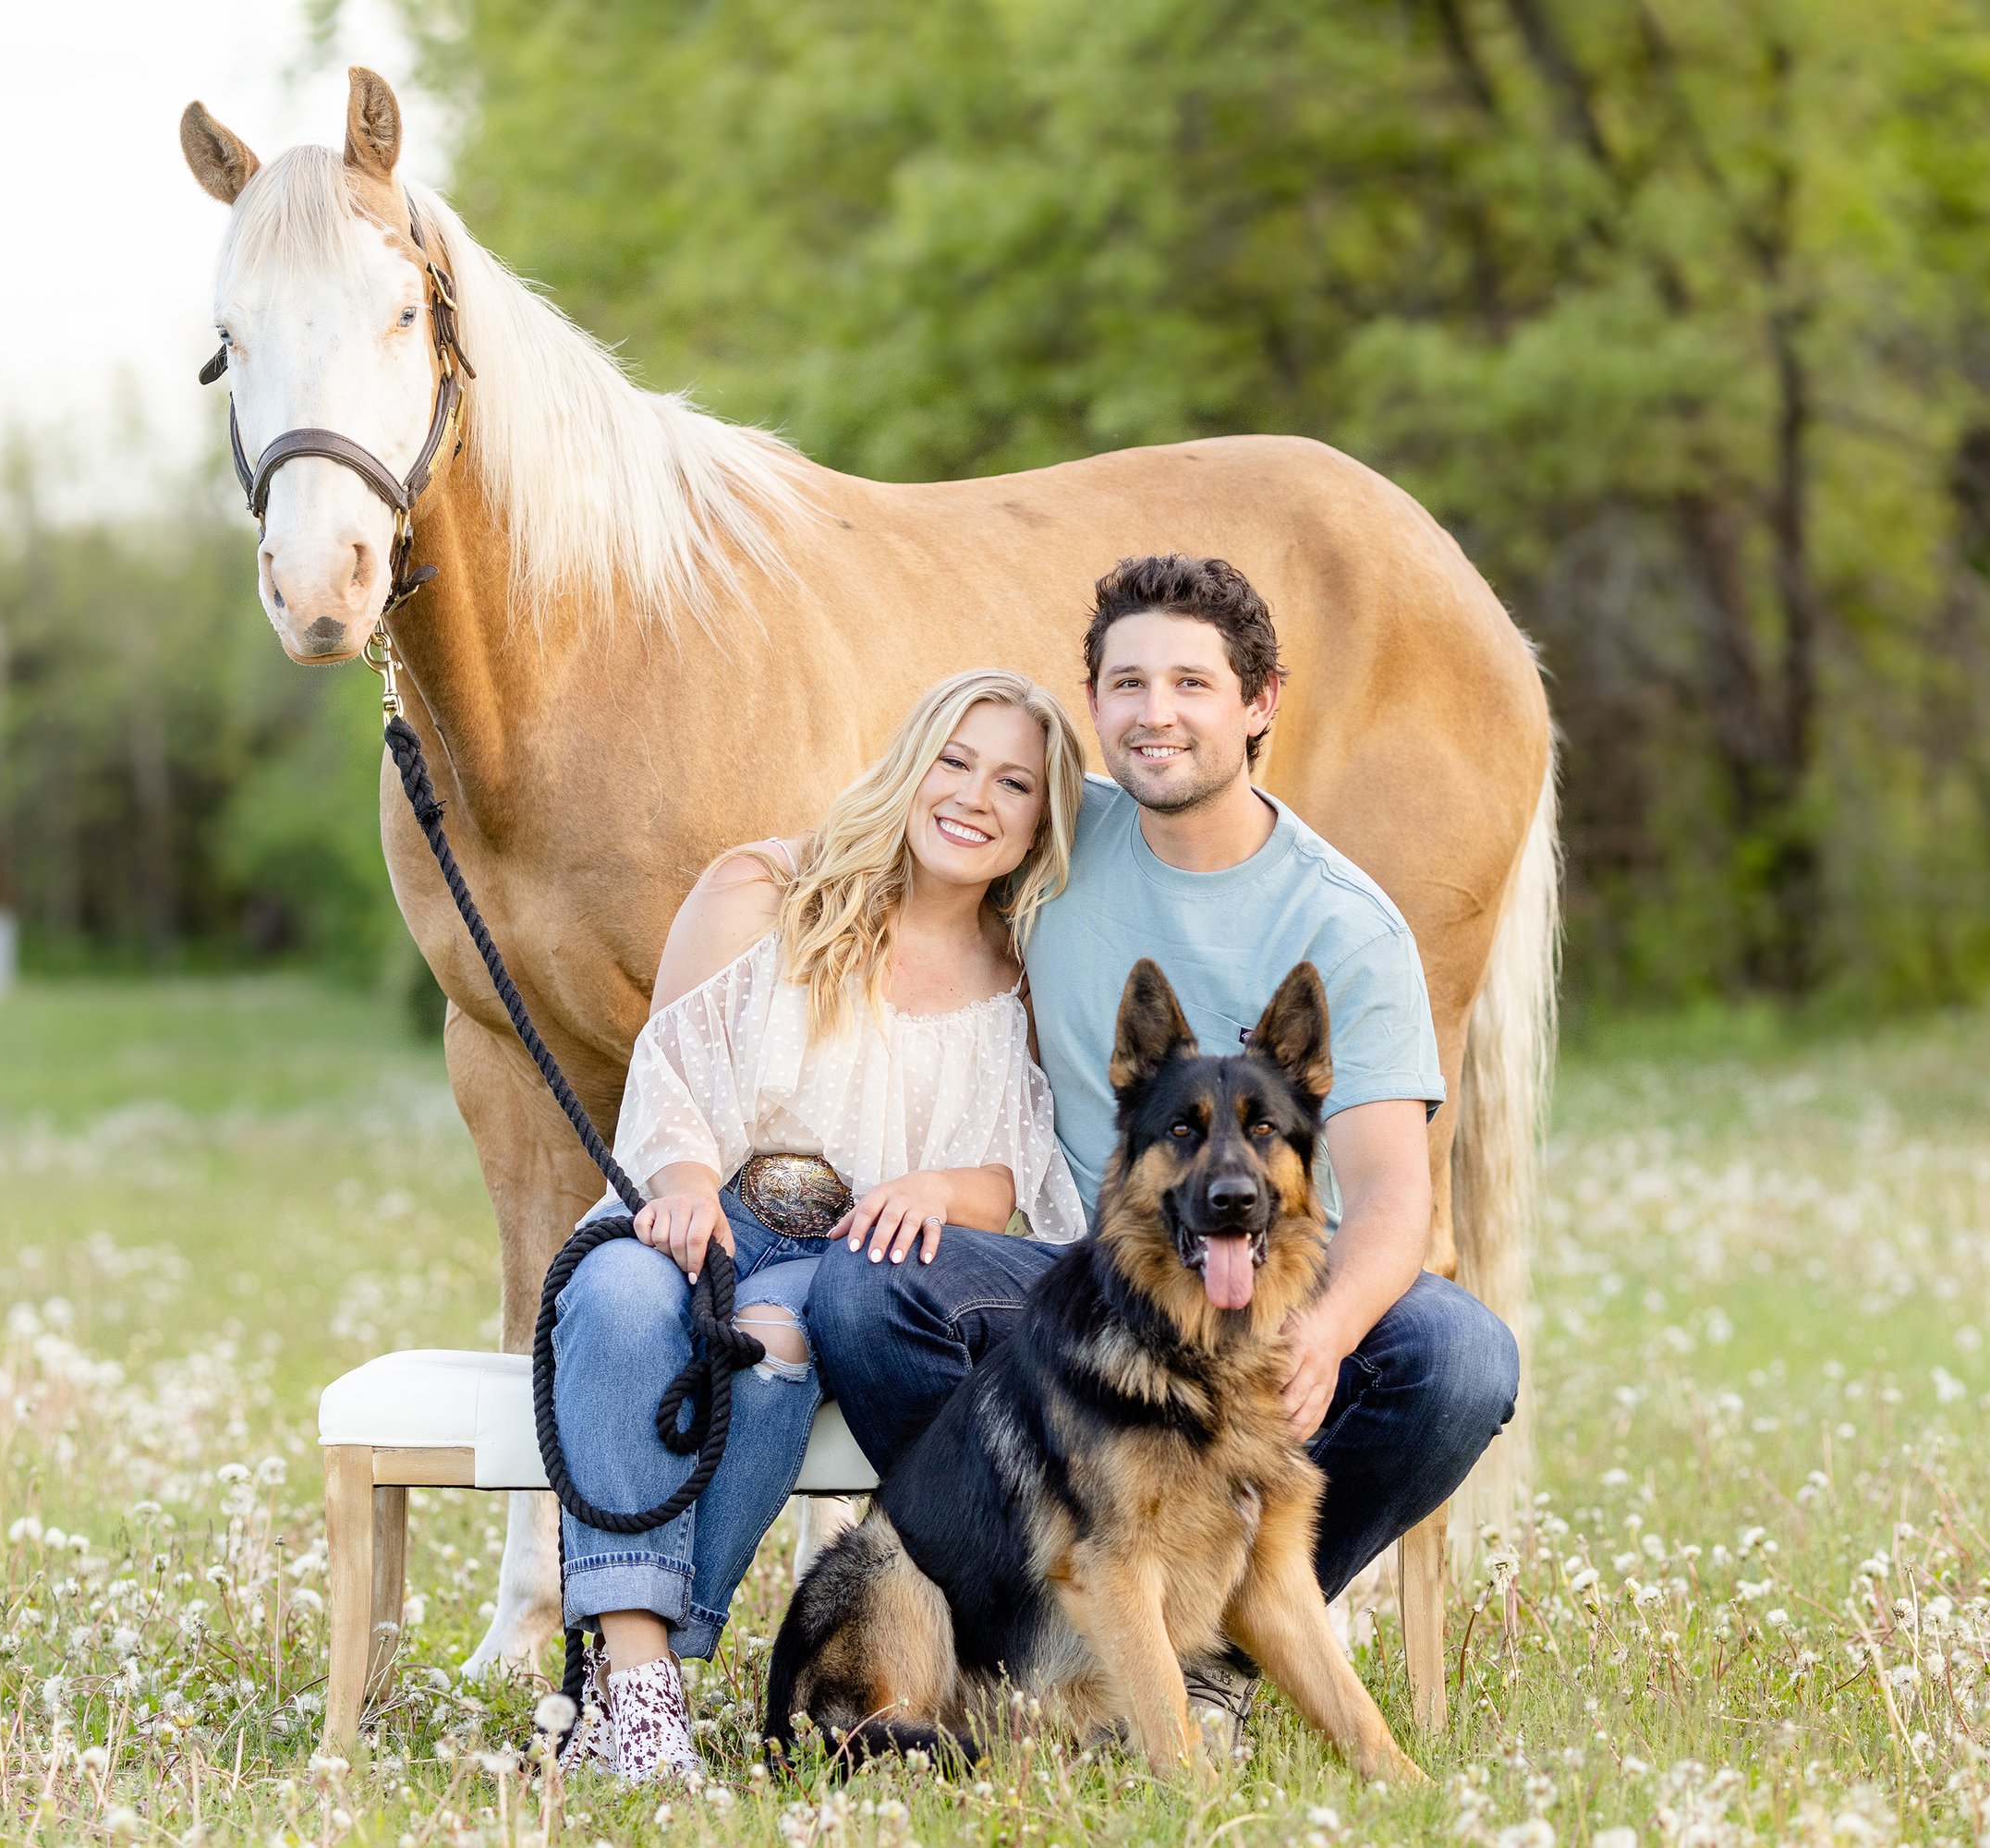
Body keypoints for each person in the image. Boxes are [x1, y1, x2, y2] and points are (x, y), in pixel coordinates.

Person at [806, 554, 1521, 1743]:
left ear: (1259, 701)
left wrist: (1325, 1335)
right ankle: (1033, 1625)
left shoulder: (1343, 922)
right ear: (1094, 703)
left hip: (1262, 1289)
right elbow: (896, 831)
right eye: (1127, 682)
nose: (1156, 712)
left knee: (1459, 1356)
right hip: (1068, 1270)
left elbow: (1395, 1193)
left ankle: (1205, 1652)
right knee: (867, 1285)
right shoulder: (1062, 829)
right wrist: (755, 871)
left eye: (1193, 681)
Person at [548, 668, 1089, 1782]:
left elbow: (1019, 1173)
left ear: (1042, 819)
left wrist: (941, 1189)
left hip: (840, 1261)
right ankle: (638, 1688)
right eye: (954, 760)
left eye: (1014, 782)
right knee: (620, 1294)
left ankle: (641, 1678)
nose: (975, 797)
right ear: (909, 763)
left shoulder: (1015, 974)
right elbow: (669, 1072)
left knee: (773, 1346)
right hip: (696, 1196)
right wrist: (690, 1183)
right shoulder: (764, 886)